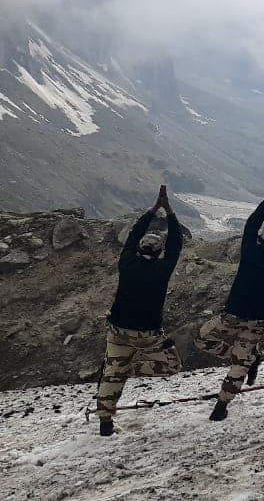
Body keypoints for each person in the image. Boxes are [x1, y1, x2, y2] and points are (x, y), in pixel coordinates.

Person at [196, 175, 264, 421]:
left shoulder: (249, 249)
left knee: (202, 338)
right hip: (257, 320)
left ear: (260, 238)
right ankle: (222, 403)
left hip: (232, 314)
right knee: (240, 364)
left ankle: (243, 362)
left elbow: (253, 221)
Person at [95, 185, 184, 436]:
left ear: (140, 248)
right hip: (147, 334)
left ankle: (105, 421)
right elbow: (176, 245)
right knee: (172, 365)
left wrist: (152, 211)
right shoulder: (162, 269)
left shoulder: (127, 262)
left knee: (112, 373)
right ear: (158, 252)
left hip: (118, 330)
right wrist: (170, 213)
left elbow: (133, 235)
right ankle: (129, 370)